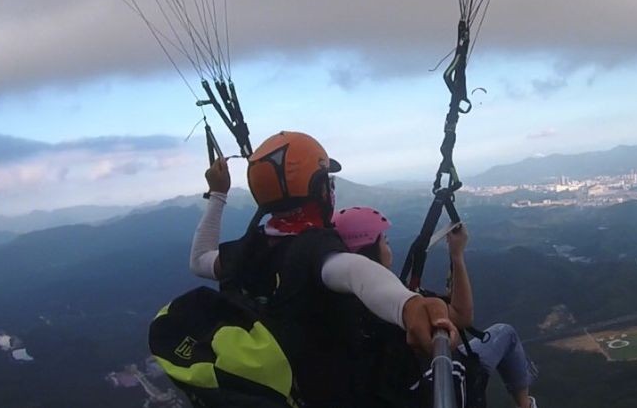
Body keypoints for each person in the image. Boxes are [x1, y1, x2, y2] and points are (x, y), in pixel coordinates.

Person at [188, 131, 458, 408]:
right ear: (317, 190)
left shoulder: (253, 246)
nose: (331, 190)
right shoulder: (313, 249)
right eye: (327, 181)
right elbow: (354, 271)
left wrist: (218, 194)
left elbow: (199, 260)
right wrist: (408, 304)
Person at [332, 206, 540, 408]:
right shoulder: (399, 303)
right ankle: (525, 405)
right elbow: (462, 316)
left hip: (406, 385)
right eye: (384, 242)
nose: (389, 246)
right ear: (371, 253)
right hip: (442, 378)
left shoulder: (339, 311)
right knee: (506, 334)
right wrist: (457, 255)